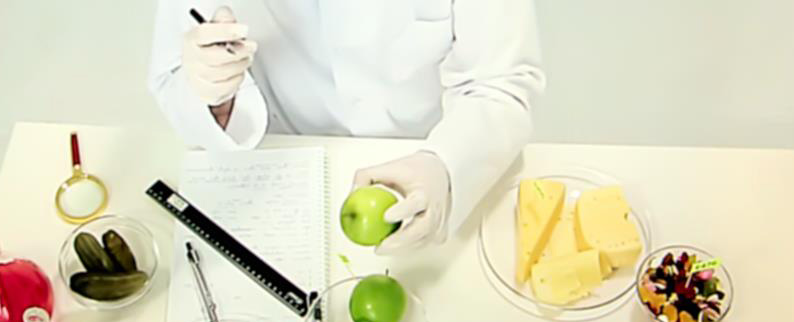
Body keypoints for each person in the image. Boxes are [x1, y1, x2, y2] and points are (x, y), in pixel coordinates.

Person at [149, 1, 545, 254]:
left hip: (423, 159)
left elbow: (500, 81)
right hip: (280, 162)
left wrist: (445, 164)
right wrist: (215, 98)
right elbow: (175, 74)